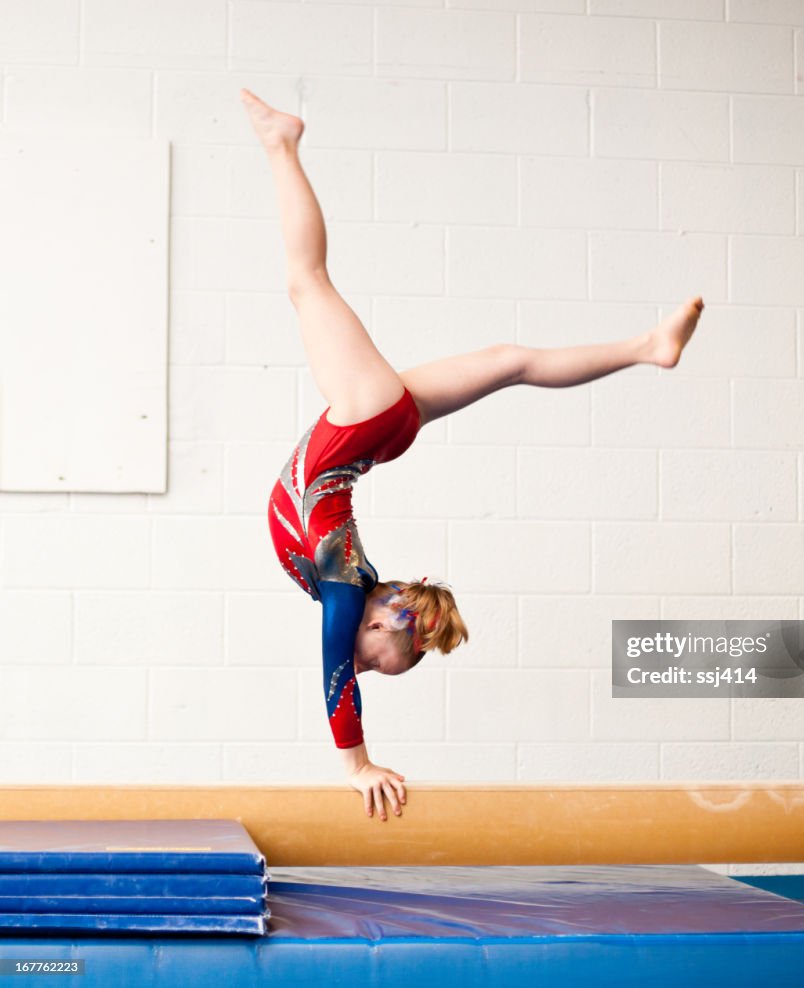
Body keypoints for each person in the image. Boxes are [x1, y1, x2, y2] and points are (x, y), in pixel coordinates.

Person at [241, 88, 705, 824]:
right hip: (361, 427)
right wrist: (356, 763)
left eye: (371, 668)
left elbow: (341, 668)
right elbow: (337, 677)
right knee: (310, 283)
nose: (359, 664)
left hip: (378, 433)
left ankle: (649, 348)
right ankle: (281, 144)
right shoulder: (344, 591)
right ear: (385, 620)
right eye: (378, 658)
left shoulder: (353, 588)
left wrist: (358, 749)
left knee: (507, 358)